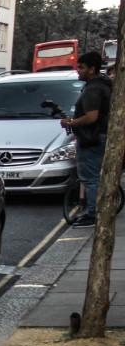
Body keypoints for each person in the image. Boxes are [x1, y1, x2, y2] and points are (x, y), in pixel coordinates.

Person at [61, 51, 113, 228]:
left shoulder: (93, 90)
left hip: (92, 138)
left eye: (81, 67)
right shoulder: (105, 84)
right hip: (101, 136)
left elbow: (91, 117)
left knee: (90, 178)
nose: (78, 71)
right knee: (96, 177)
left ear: (92, 69)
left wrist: (72, 122)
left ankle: (93, 215)